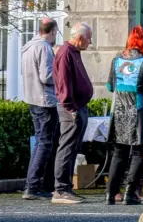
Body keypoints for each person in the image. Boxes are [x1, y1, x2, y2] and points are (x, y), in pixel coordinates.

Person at [105, 27, 143, 206]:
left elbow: (109, 86)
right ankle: (130, 193)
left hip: (120, 111)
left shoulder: (116, 60)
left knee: (119, 152)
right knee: (139, 153)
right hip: (138, 112)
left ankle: (110, 193)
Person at [52, 22, 94, 205]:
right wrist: (71, 108)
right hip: (71, 109)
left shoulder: (73, 52)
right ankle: (60, 189)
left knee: (72, 149)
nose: (90, 42)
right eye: (88, 38)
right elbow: (63, 84)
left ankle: (66, 188)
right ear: (79, 38)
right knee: (67, 148)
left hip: (77, 107)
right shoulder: (66, 53)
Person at [21, 17, 59, 200]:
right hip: (45, 100)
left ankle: (33, 184)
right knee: (44, 144)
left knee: (40, 143)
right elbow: (47, 76)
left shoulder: (28, 46)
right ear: (52, 31)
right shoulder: (44, 47)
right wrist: (61, 77)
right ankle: (33, 186)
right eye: (56, 33)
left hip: (32, 98)